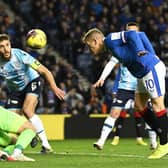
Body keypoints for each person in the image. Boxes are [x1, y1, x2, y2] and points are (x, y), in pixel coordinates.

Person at [82, 27, 168, 159]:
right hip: (141, 73)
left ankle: (164, 143)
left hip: (150, 69)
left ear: (95, 41)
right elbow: (142, 34)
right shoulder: (110, 48)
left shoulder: (110, 39)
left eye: (89, 46)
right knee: (139, 106)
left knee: (158, 105)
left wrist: (144, 52)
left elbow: (133, 33)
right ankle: (164, 135)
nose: (90, 50)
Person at [0, 34, 65, 153]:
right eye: (1, 46)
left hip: (32, 82)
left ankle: (45, 144)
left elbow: (45, 71)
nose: (6, 49)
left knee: (27, 110)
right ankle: (13, 150)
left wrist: (54, 88)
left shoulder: (20, 55)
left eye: (7, 45)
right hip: (15, 91)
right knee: (12, 125)